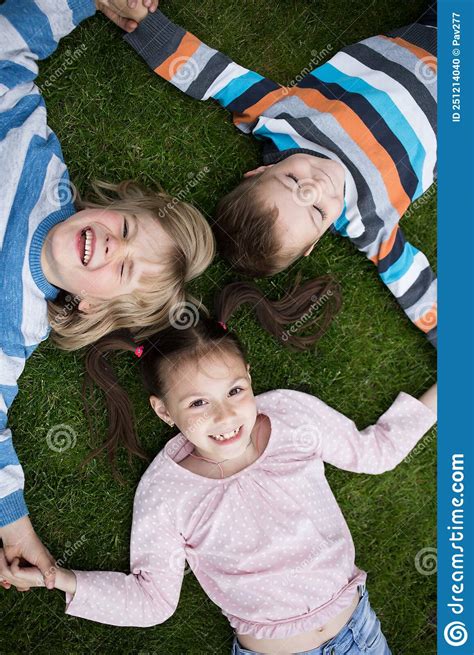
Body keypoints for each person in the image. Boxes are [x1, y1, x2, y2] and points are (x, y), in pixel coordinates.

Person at [0, 315, 437, 655]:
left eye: (235, 391)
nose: (226, 418)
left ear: (249, 375)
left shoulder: (289, 416)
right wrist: (61, 579)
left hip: (360, 631)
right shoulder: (166, 492)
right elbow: (153, 598)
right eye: (197, 403)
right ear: (164, 412)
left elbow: (373, 451)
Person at [0, 0, 214, 589]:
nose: (110, 247)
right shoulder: (38, 163)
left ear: (92, 306)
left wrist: (14, 526)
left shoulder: (16, 325)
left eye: (122, 271)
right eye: (124, 231)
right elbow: (7, 50)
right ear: (104, 207)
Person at [121, 4, 438, 347]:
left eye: (292, 182)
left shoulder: (280, 119)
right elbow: (410, 281)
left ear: (262, 170)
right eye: (317, 213)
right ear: (314, 243)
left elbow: (214, 75)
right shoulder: (368, 222)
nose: (316, 188)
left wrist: (145, 23)